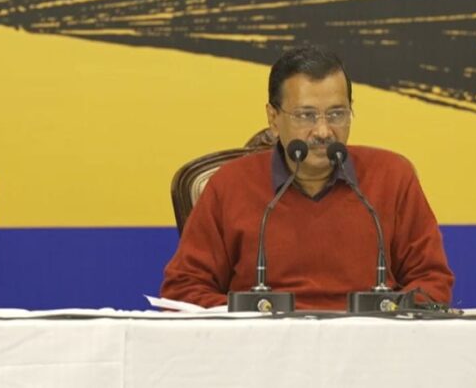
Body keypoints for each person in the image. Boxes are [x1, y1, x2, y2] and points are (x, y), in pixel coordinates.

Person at [161, 45, 453, 310]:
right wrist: (252, 317)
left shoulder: (391, 176)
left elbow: (431, 281)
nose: (323, 131)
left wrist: (383, 317)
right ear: (274, 119)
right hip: (263, 344)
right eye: (306, 116)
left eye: (337, 114)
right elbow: (182, 290)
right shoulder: (230, 185)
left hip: (368, 343)